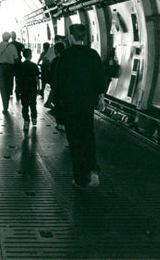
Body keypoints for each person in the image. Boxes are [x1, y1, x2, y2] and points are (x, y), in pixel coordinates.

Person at [51, 24, 107, 189]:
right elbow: (100, 79)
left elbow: (57, 83)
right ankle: (93, 170)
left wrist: (59, 107)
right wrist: (100, 97)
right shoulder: (92, 54)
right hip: (87, 105)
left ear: (70, 36)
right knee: (88, 136)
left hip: (70, 105)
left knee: (75, 140)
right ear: (83, 37)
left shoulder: (65, 56)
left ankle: (80, 179)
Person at [0, 32, 18, 114]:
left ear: (2, 37)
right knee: (9, 85)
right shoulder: (12, 47)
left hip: (1, 68)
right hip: (10, 68)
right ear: (9, 38)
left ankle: (5, 105)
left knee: (2, 86)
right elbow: (16, 59)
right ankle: (7, 101)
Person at [17, 48, 40, 133]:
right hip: (32, 87)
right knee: (33, 103)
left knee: (25, 105)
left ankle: (26, 121)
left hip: (23, 88)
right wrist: (39, 88)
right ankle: (34, 118)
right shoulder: (34, 65)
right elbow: (37, 78)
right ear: (30, 55)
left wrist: (18, 89)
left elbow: (18, 79)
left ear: (23, 55)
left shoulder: (20, 66)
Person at [9, 30, 24, 99]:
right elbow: (24, 53)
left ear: (10, 37)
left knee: (10, 78)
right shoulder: (20, 44)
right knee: (18, 78)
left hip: (11, 63)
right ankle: (17, 92)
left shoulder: (8, 45)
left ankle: (10, 91)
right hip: (18, 62)